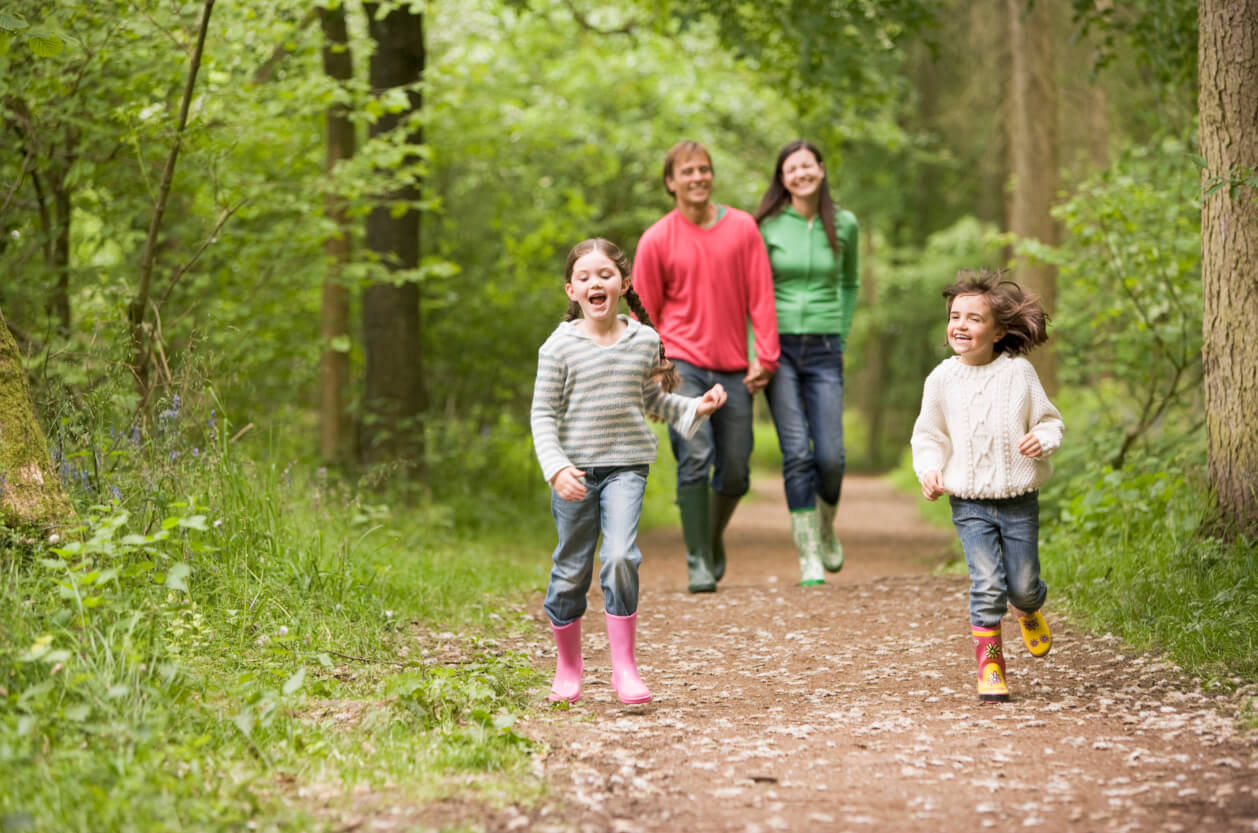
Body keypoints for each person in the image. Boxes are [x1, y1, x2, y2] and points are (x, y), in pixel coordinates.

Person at [531, 238, 728, 705]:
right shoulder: (558, 347)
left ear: (621, 284)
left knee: (620, 556)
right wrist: (556, 468)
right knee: (570, 571)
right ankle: (569, 666)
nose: (595, 283)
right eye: (584, 277)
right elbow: (542, 414)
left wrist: (695, 407)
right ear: (571, 290)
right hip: (574, 473)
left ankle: (624, 667)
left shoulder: (643, 340)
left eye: (604, 274)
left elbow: (651, 400)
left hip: (627, 467)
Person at [910, 269, 1064, 703]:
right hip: (969, 501)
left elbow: (1050, 421)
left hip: (1018, 500)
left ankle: (1029, 608)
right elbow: (929, 435)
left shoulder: (1019, 373)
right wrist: (930, 469)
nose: (960, 324)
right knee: (987, 583)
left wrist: (1043, 441)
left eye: (974, 318)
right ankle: (990, 664)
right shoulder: (941, 379)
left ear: (998, 331)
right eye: (955, 315)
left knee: (1022, 585)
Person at [633, 140, 780, 593]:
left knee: (736, 468)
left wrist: (766, 356)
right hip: (682, 367)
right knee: (696, 456)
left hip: (734, 366)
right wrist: (654, 374)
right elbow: (643, 314)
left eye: (704, 169)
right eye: (688, 171)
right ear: (670, 182)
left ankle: (709, 537)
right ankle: (697, 559)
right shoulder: (657, 239)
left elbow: (761, 295)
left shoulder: (742, 228)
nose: (698, 177)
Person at [754, 139, 860, 586]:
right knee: (797, 452)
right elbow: (753, 291)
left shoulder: (846, 224)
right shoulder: (768, 227)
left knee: (831, 456)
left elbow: (850, 283)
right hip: (778, 350)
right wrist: (755, 350)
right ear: (782, 178)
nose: (800, 174)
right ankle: (809, 555)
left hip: (824, 348)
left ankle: (825, 525)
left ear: (820, 169)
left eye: (807, 165)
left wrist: (841, 329)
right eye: (790, 169)